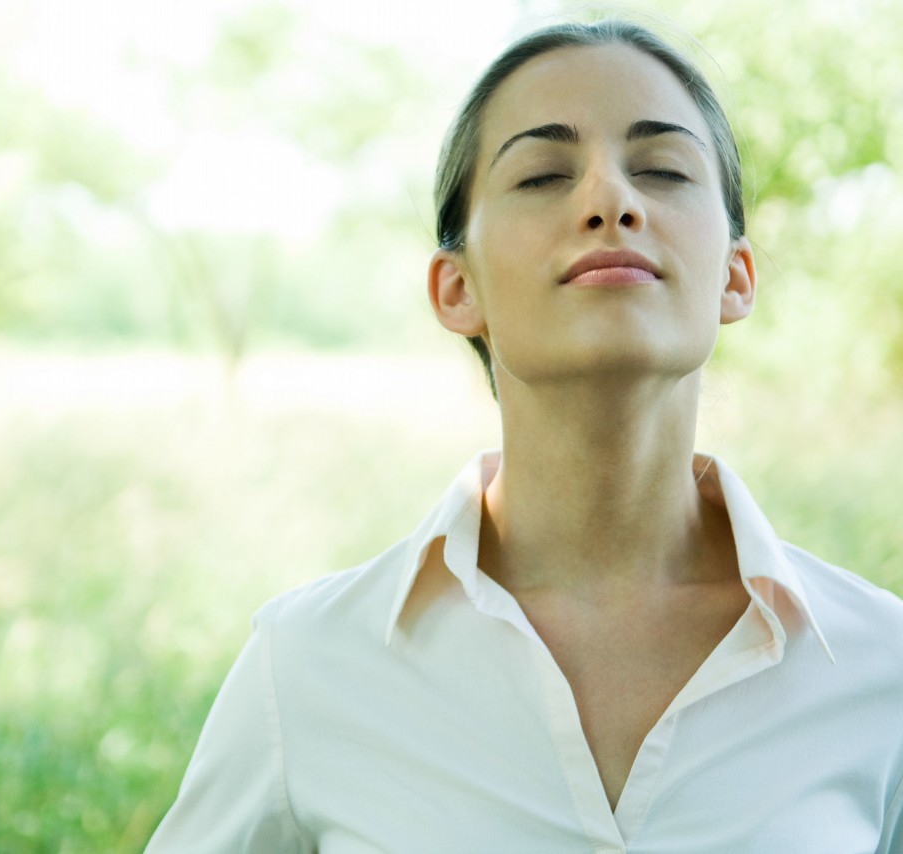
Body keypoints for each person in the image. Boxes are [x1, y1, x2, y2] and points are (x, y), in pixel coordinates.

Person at [146, 18, 903, 853]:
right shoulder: (305, 667)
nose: (611, 200)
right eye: (543, 174)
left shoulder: (883, 671)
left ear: (735, 274)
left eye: (662, 169)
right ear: (456, 287)